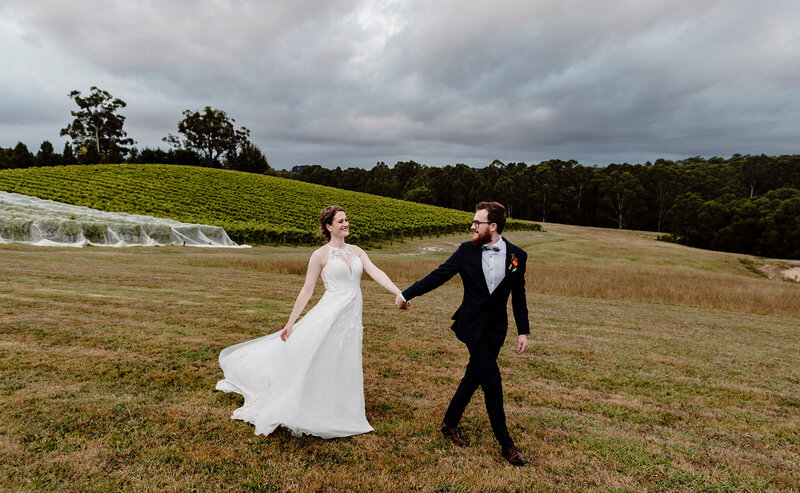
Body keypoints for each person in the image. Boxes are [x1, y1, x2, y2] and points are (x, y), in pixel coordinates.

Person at [216, 205, 404, 438]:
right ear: (328, 226)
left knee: (345, 356)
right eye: (340, 221)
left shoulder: (357, 251)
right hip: (328, 313)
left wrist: (398, 293)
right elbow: (307, 290)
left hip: (351, 316)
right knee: (318, 355)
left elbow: (375, 271)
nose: (345, 224)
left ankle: (342, 404)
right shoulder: (320, 255)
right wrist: (290, 322)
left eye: (346, 220)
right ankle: (312, 402)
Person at [395, 201, 530, 466]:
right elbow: (438, 276)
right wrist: (405, 294)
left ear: (492, 226)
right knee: (492, 381)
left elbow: (519, 295)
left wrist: (523, 330)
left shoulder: (517, 255)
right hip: (471, 325)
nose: (472, 226)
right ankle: (507, 444)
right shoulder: (465, 251)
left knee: (474, 376)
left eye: (476, 222)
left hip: (496, 329)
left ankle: (449, 423)